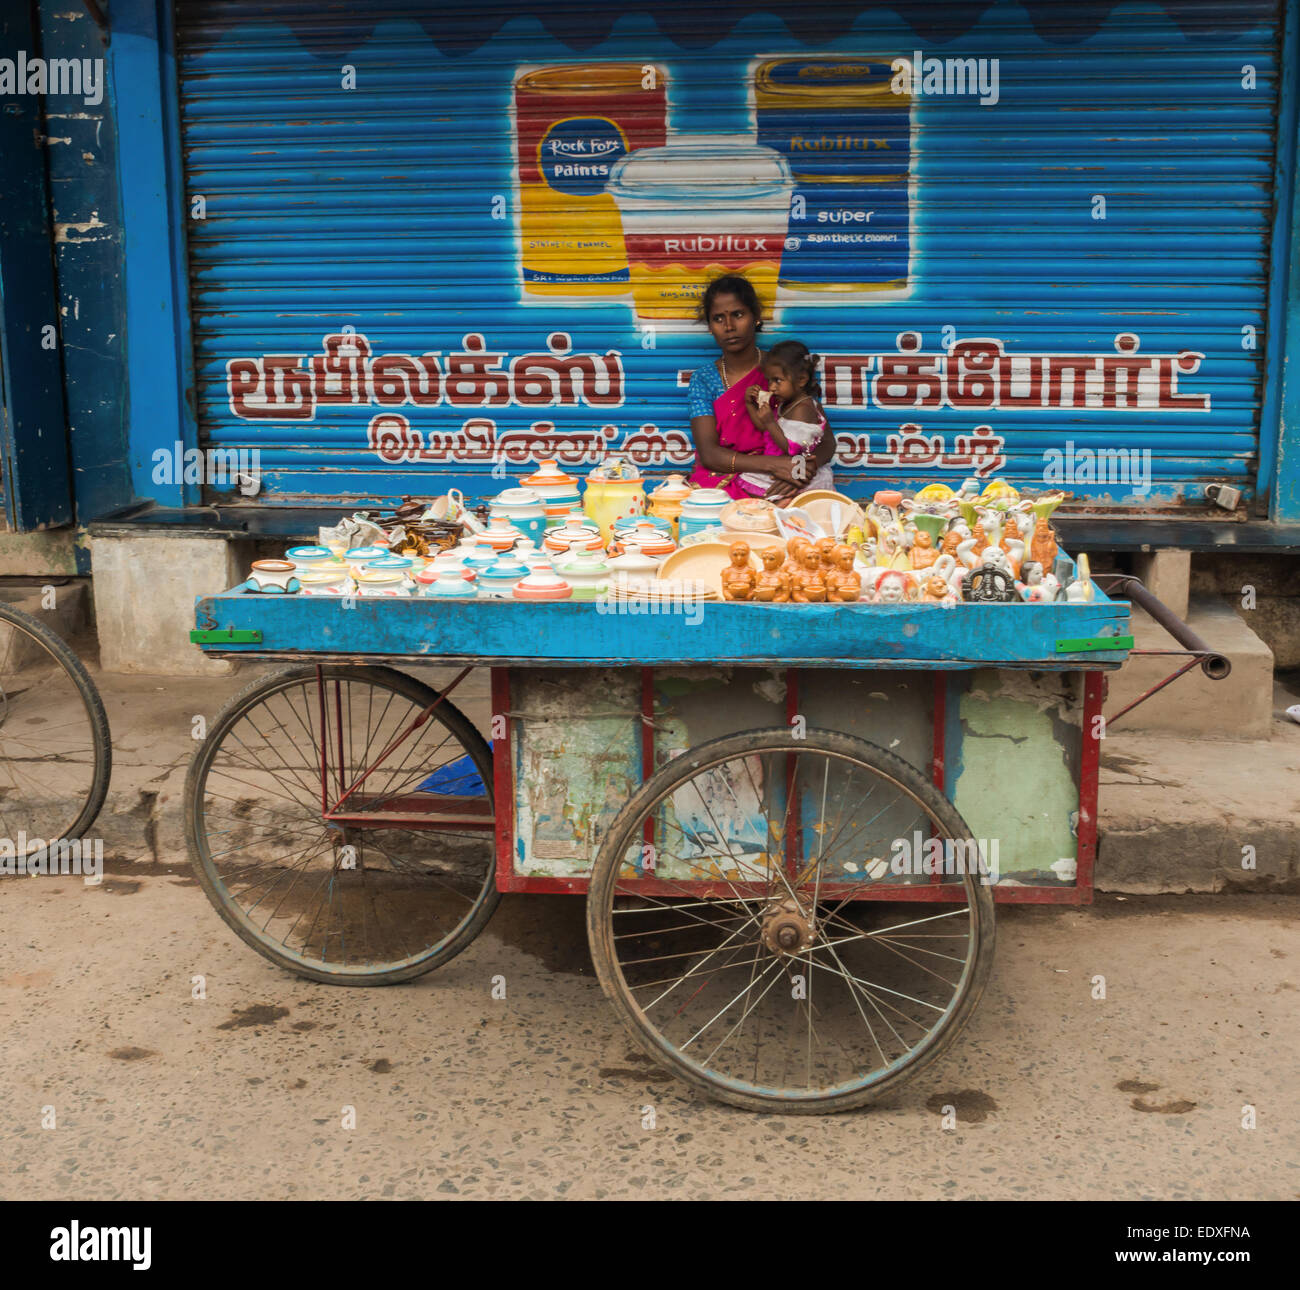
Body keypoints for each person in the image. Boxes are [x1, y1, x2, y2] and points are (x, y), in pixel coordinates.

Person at [685, 274, 833, 502]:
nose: (729, 326)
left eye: (738, 314)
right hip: (729, 477)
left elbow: (826, 442)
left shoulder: (782, 371)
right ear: (710, 327)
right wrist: (775, 466)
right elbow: (709, 454)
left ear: (755, 317)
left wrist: (800, 469)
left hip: (786, 477)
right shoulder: (703, 379)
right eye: (718, 318)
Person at [737, 340, 835, 496]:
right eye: (769, 380)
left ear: (802, 379)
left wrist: (770, 422)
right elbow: (764, 428)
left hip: (797, 467)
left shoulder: (803, 409)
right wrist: (750, 405)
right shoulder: (787, 404)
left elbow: (793, 450)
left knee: (765, 492)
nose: (771, 387)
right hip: (782, 464)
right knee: (745, 479)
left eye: (777, 380)